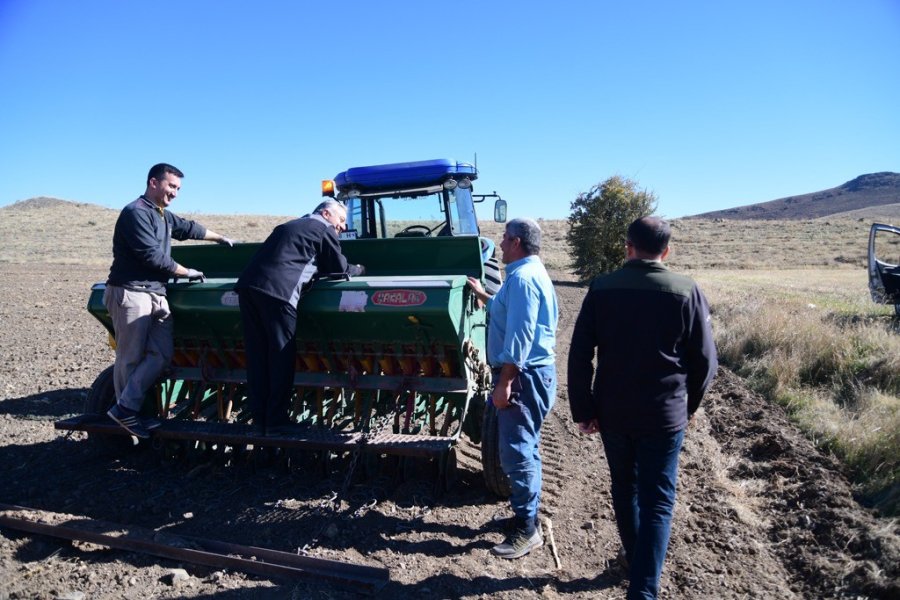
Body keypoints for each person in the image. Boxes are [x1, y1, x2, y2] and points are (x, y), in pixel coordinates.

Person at [567, 216, 717, 599]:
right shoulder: (687, 291)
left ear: (627, 246)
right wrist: (689, 406)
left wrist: (583, 409)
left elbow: (581, 354)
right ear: (666, 251)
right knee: (658, 501)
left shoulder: (601, 288)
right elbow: (705, 362)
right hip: (664, 417)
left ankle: (636, 564)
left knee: (625, 488)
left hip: (613, 412)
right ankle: (643, 588)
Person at [105, 163, 234, 438]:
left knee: (161, 354)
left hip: (155, 293)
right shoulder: (135, 213)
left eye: (178, 188)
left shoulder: (162, 215)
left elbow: (188, 228)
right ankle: (128, 413)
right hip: (131, 292)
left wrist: (220, 238)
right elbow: (152, 256)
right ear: (154, 182)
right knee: (130, 357)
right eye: (171, 186)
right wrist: (187, 272)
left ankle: (127, 409)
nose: (175, 193)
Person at [467, 218, 558, 559]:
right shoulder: (527, 275)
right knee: (525, 448)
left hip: (523, 377)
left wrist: (504, 382)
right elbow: (510, 313)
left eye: (505, 239)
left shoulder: (522, 278)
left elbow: (520, 336)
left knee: (516, 452)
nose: (500, 244)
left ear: (517, 242)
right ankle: (526, 513)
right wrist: (484, 296)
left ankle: (526, 529)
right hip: (531, 374)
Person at [235, 200, 364, 437]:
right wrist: (359, 269)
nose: (343, 227)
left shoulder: (290, 225)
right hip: (278, 294)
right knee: (281, 356)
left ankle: (259, 419)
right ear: (326, 214)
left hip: (248, 289)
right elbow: (338, 267)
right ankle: (276, 421)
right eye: (341, 220)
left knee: (257, 356)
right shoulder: (323, 227)